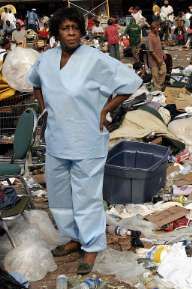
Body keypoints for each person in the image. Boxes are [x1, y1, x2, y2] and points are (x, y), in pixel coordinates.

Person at [27, 7, 141, 274]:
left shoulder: (94, 59)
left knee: (87, 196)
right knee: (59, 195)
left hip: (87, 138)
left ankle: (91, 246)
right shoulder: (45, 60)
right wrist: (44, 112)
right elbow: (35, 84)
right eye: (65, 29)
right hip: (56, 138)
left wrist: (105, 110)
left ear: (81, 32)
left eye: (75, 29)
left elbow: (129, 83)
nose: (71, 33)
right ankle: (73, 237)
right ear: (56, 32)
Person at [148, 22, 166, 90]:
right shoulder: (150, 37)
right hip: (153, 60)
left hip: (160, 57)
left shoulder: (157, 34)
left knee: (163, 71)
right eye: (157, 28)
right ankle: (157, 89)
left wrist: (163, 53)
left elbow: (159, 46)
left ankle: (159, 86)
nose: (158, 29)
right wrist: (157, 59)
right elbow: (151, 51)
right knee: (155, 75)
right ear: (153, 29)